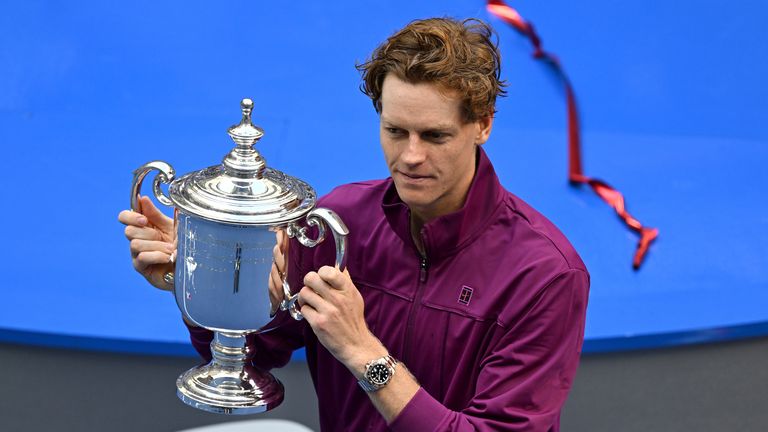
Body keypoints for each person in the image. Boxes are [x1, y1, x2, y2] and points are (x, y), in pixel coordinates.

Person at [119, 17, 589, 432]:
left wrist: (366, 354)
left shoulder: (546, 276)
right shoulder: (337, 223)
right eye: (395, 130)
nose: (410, 157)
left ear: (482, 125)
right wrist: (203, 278)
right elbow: (254, 357)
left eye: (435, 136)